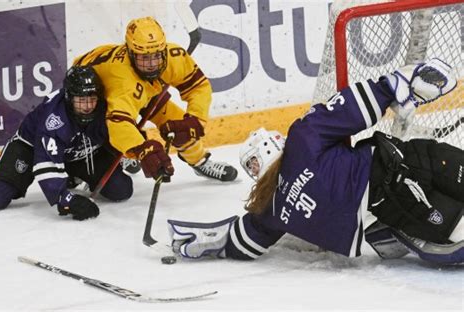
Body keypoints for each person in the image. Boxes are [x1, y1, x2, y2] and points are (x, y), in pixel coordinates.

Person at [166, 58, 464, 265]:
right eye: (252, 167)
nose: (257, 170)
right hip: (398, 192)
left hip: (402, 175)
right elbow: (243, 241)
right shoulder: (271, 207)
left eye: (255, 163)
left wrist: (398, 85)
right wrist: (206, 240)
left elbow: (349, 109)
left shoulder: (293, 161)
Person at [73, 16, 238, 183]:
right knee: (118, 133)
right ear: (130, 53)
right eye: (144, 58)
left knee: (181, 125)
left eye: (156, 56)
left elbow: (199, 87)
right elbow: (118, 123)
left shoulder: (173, 57)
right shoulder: (122, 80)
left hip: (141, 90)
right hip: (94, 92)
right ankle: (119, 152)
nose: (152, 64)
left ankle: (200, 161)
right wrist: (143, 150)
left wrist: (195, 119)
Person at [0, 66, 133, 220]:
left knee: (120, 189)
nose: (87, 107)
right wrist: (66, 200)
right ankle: (66, 176)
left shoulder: (106, 106)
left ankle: (72, 176)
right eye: (81, 101)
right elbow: (46, 163)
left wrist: (135, 150)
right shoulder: (54, 119)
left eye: (92, 100)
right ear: (69, 97)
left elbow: (120, 129)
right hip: (30, 148)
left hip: (78, 151)